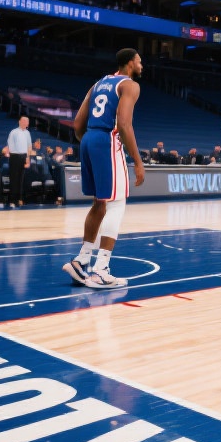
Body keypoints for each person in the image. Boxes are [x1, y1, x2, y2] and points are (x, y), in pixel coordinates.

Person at [62, 49, 146, 289]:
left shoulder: (98, 84)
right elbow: (124, 124)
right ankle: (101, 270)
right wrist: (138, 161)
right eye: (140, 61)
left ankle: (81, 261)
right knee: (117, 204)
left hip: (88, 139)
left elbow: (77, 123)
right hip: (107, 140)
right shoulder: (130, 85)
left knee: (100, 203)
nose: (142, 66)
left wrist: (90, 143)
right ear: (130, 63)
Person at [6, 115, 32, 207]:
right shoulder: (14, 132)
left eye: (27, 121)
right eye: (24, 121)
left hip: (24, 156)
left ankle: (20, 199)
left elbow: (29, 146)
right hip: (15, 156)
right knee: (14, 179)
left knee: (21, 179)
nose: (25, 123)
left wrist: (28, 157)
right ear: (19, 122)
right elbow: (10, 145)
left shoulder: (28, 133)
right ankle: (12, 200)